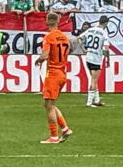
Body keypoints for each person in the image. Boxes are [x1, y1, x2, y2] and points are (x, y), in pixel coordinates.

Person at [38, 12, 74, 144]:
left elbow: (45, 55)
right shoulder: (65, 38)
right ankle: (65, 129)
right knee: (50, 104)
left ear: (47, 22)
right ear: (58, 22)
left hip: (53, 73)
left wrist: (39, 60)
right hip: (62, 73)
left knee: (49, 105)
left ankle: (54, 136)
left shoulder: (48, 37)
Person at [81, 17, 110, 108]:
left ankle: (97, 100)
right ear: (106, 23)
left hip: (88, 57)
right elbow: (106, 48)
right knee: (94, 80)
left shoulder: (90, 30)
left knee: (94, 79)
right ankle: (89, 102)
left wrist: (84, 49)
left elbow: (79, 38)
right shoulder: (104, 33)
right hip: (96, 59)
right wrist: (108, 59)